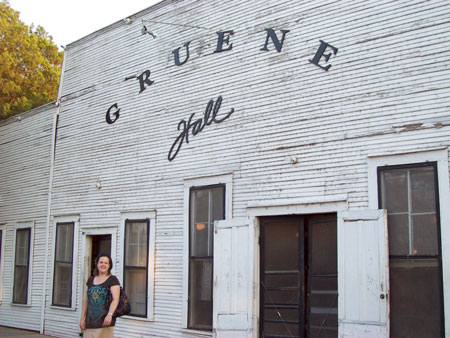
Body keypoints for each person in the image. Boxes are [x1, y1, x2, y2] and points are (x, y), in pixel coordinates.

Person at [80, 254, 120, 338]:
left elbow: (116, 299)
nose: (103, 265)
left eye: (106, 263)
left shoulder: (112, 280)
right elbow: (86, 300)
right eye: (101, 262)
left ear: (109, 265)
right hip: (90, 322)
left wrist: (110, 315)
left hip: (105, 322)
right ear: (97, 264)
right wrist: (82, 318)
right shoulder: (90, 280)